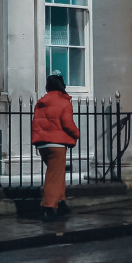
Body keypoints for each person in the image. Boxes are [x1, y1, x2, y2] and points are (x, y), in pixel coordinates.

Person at [31, 73, 81, 220]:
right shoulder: (63, 102)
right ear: (62, 85)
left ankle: (62, 202)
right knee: (54, 176)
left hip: (42, 144)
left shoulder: (41, 102)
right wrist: (76, 133)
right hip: (57, 145)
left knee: (57, 174)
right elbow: (67, 123)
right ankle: (48, 206)